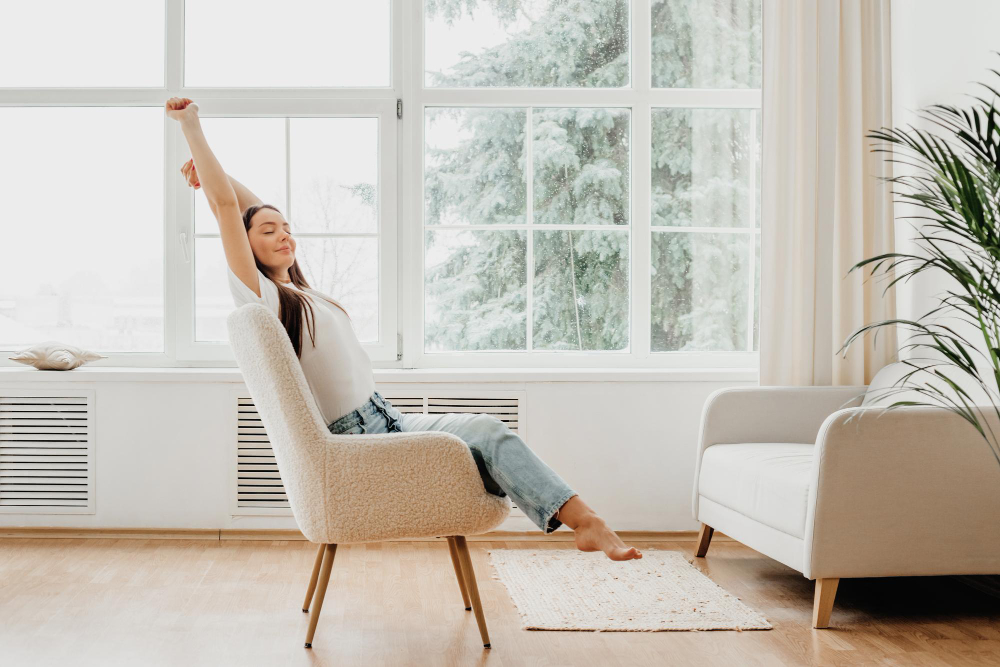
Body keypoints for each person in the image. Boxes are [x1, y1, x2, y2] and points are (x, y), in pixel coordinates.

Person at [166, 96, 641, 561]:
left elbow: (249, 207)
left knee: (490, 433)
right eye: (268, 233)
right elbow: (231, 210)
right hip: (356, 438)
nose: (283, 234)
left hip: (385, 417)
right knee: (484, 439)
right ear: (246, 249)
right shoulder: (263, 297)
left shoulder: (301, 291)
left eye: (286, 227)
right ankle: (584, 522)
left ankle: (587, 522)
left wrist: (213, 176)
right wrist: (192, 129)